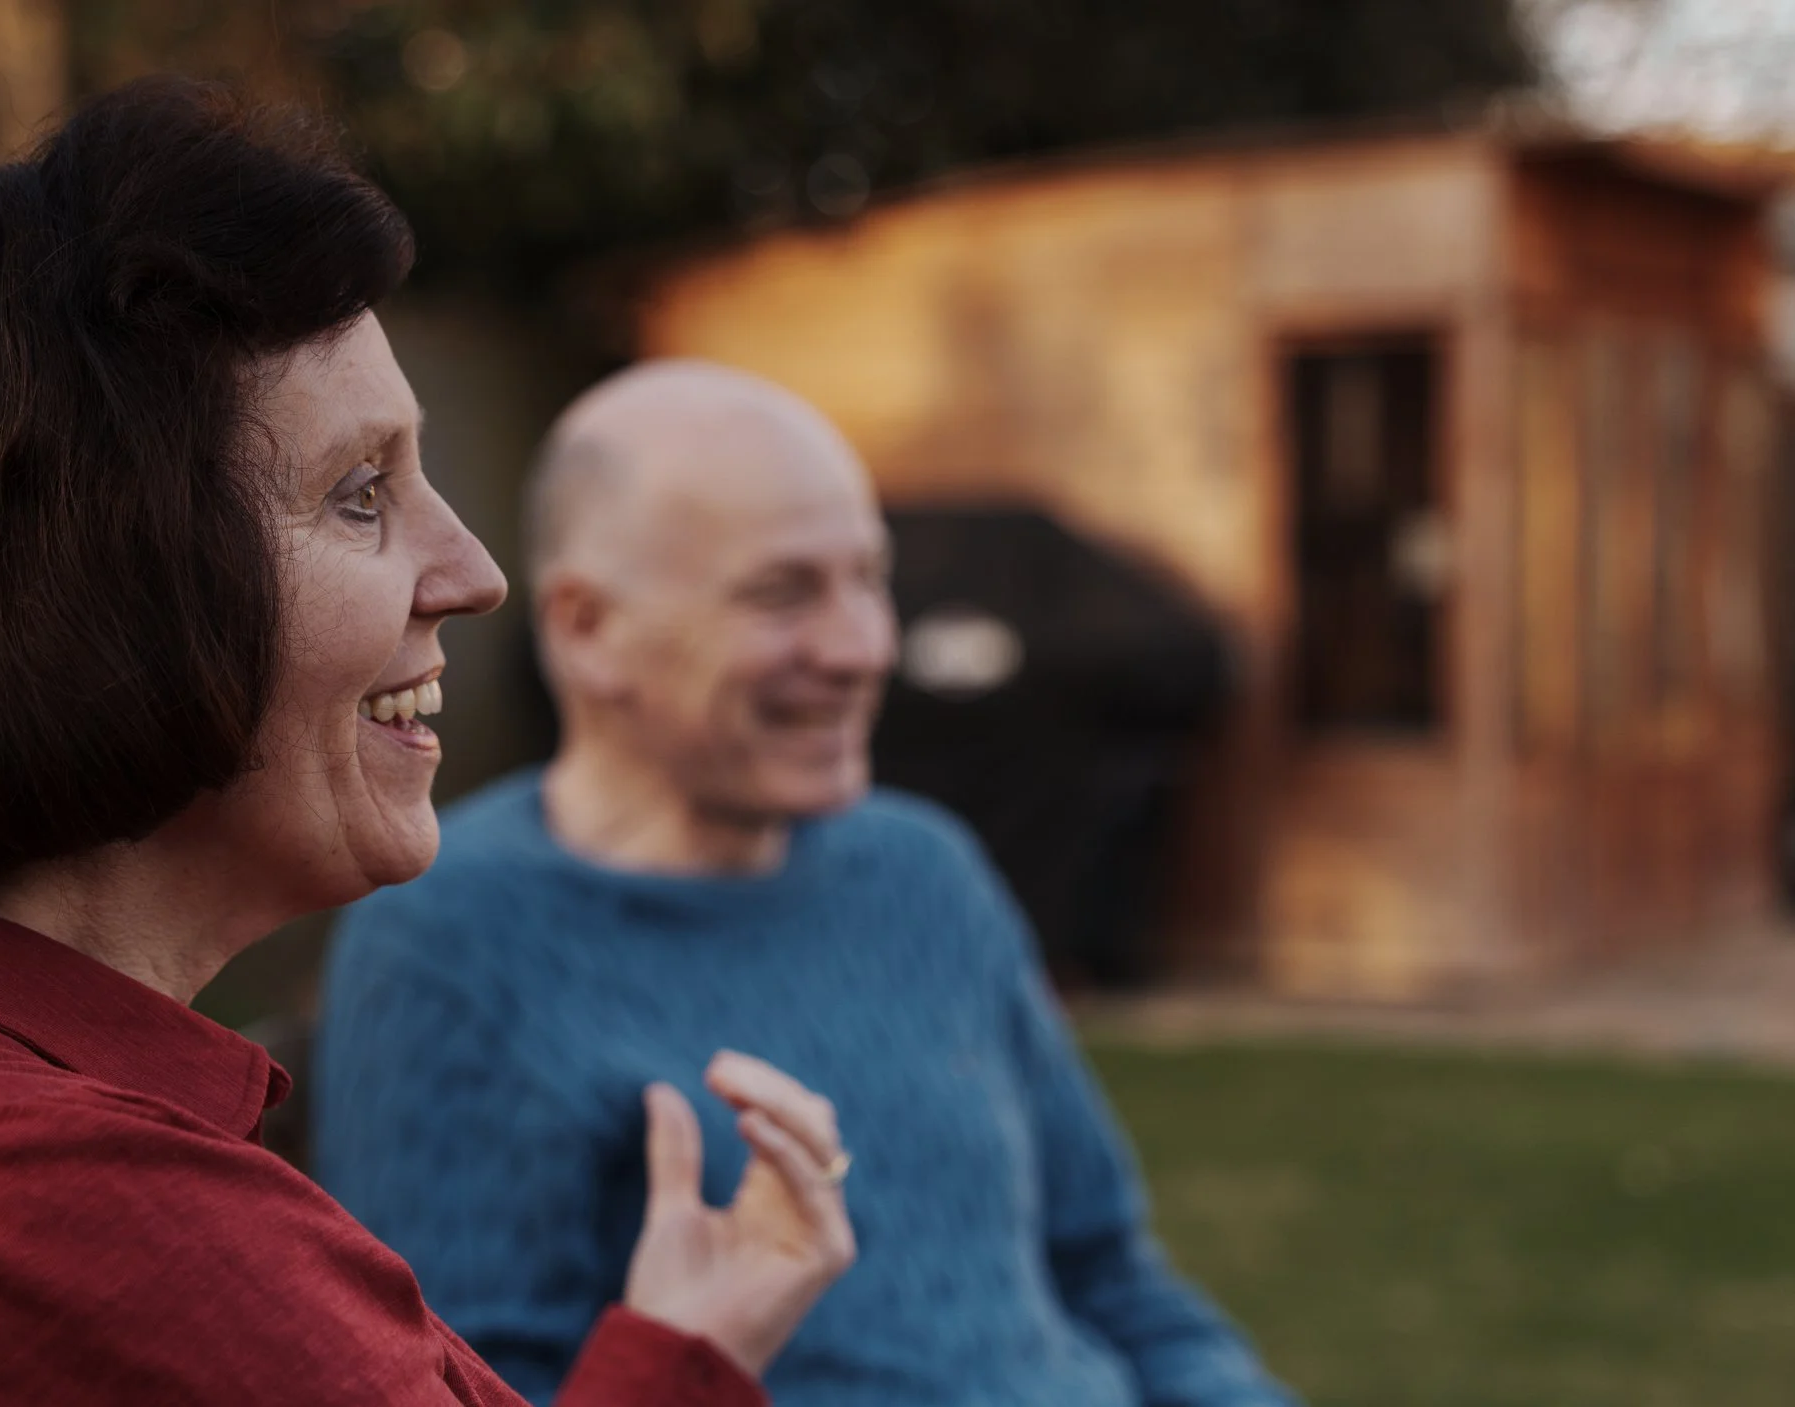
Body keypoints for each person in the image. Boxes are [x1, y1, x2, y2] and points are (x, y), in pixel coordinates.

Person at [0, 80, 857, 1406]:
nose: (473, 569)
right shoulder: (36, 1205)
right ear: (95, 591)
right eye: (359, 493)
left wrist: (678, 1357)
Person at [311, 361, 1298, 1406]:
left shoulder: (926, 871)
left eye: (869, 580)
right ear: (587, 630)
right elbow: (456, 1388)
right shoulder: (454, 936)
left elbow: (1107, 1271)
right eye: (782, 594)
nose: (861, 647)